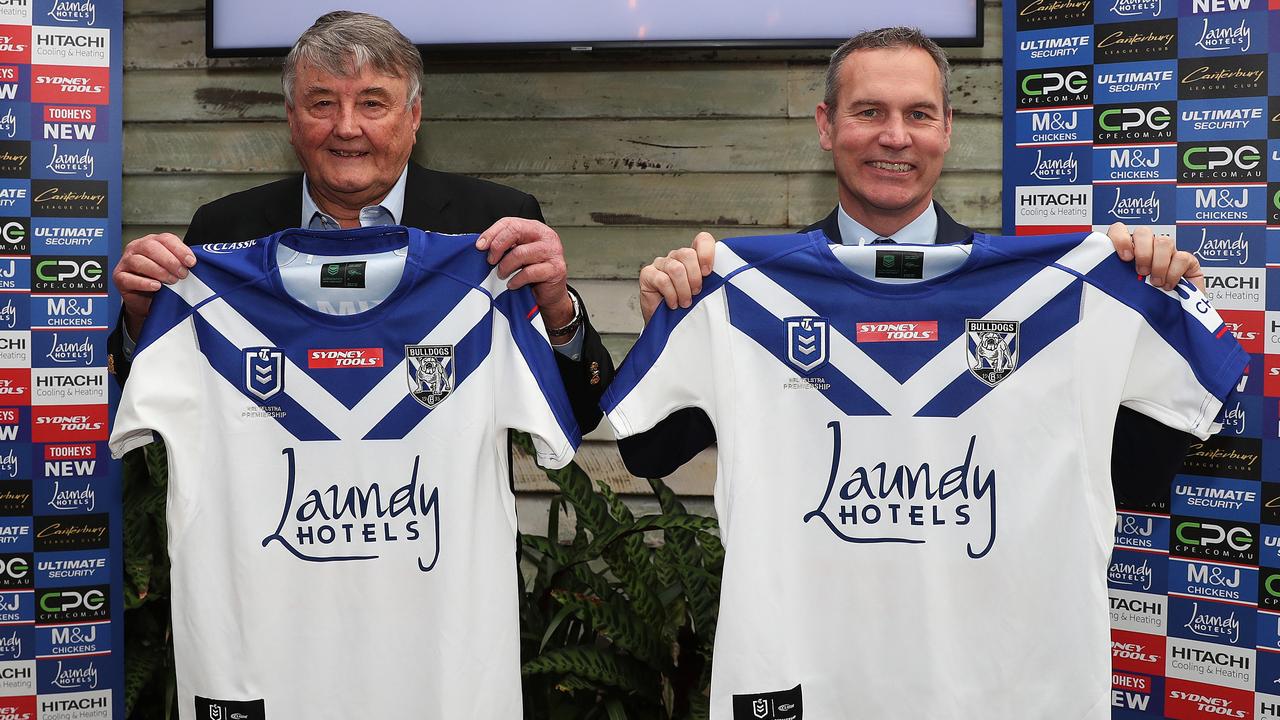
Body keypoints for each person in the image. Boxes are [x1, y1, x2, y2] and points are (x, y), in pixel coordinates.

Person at [620, 27, 1204, 497]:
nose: (896, 137)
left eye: (919, 115)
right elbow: (650, 454)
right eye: (869, 112)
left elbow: (1137, 478)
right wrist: (668, 325)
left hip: (978, 638)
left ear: (947, 130)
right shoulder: (755, 295)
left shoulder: (1035, 296)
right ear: (827, 126)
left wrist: (1163, 312)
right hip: (816, 641)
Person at [108, 10, 612, 430]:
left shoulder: (494, 226)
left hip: (437, 539)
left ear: (414, 117)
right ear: (291, 117)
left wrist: (558, 314)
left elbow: (581, 412)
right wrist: (139, 320)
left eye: (372, 103)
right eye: (322, 103)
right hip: (274, 538)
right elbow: (155, 411)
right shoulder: (225, 232)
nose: (346, 127)